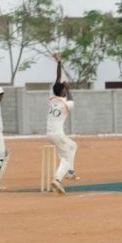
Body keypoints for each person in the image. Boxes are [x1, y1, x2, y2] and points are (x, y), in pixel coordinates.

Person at [47, 54, 78, 194]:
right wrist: (69, 89)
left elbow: (57, 79)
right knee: (65, 157)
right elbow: (72, 100)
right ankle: (57, 179)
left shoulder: (52, 98)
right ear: (63, 91)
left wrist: (59, 63)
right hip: (58, 135)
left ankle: (70, 172)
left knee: (73, 145)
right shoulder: (66, 104)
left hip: (50, 134)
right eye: (64, 89)